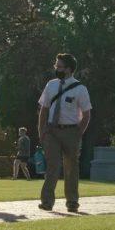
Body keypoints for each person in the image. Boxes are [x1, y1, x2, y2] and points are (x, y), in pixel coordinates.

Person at [37, 53, 92, 213]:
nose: (57, 69)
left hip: (71, 131)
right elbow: (44, 108)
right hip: (52, 131)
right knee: (52, 167)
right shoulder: (51, 85)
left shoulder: (80, 89)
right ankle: (47, 201)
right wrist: (42, 131)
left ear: (68, 69)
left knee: (71, 168)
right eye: (56, 66)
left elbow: (87, 114)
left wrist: (78, 133)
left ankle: (72, 202)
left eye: (60, 66)